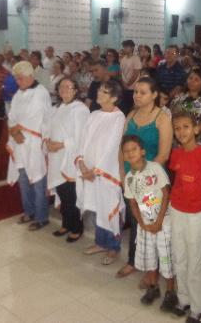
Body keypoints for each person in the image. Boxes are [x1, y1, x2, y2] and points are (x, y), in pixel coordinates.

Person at [117, 77, 173, 279]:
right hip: (131, 179)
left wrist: (146, 179)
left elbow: (164, 154)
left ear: (154, 95)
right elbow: (121, 148)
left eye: (142, 92)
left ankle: (155, 270)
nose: (137, 95)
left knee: (153, 224)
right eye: (135, 92)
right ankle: (135, 261)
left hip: (152, 181)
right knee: (136, 221)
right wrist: (123, 174)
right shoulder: (131, 115)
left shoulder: (162, 118)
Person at [168, 111, 201, 323]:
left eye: (185, 127)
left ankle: (198, 308)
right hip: (177, 210)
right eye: (177, 128)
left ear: (196, 128)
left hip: (196, 214)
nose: (181, 132)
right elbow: (177, 180)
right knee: (179, 257)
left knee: (196, 262)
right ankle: (184, 300)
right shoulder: (176, 154)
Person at [122, 135, 177, 310]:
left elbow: (166, 193)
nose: (130, 153)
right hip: (145, 225)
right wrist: (143, 224)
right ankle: (153, 288)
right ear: (123, 156)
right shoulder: (129, 177)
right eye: (126, 151)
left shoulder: (155, 168)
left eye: (134, 149)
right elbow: (133, 204)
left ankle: (170, 292)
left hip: (164, 222)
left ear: (142, 151)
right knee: (149, 257)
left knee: (166, 257)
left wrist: (159, 221)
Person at [76, 80, 126, 265]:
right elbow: (84, 140)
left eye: (104, 92)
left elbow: (111, 148)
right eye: (100, 90)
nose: (98, 93)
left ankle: (113, 247)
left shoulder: (118, 118)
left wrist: (95, 170)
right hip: (89, 170)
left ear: (114, 98)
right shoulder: (94, 114)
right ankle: (100, 243)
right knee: (98, 207)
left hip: (106, 172)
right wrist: (81, 163)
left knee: (109, 207)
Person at [7, 61, 52, 231]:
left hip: (34, 143)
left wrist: (17, 130)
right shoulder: (19, 93)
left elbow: (34, 118)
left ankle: (42, 217)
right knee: (24, 179)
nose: (18, 82)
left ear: (30, 76)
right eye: (16, 79)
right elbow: (12, 116)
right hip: (19, 143)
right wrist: (15, 132)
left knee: (38, 180)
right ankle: (29, 211)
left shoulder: (41, 93)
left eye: (20, 79)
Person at [44, 78, 89, 242]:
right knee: (62, 193)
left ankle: (77, 227)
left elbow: (81, 136)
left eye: (68, 86)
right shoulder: (56, 108)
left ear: (75, 90)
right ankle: (66, 223)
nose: (64, 89)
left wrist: (62, 145)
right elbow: (47, 128)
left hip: (70, 158)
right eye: (61, 86)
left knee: (71, 195)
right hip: (56, 158)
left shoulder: (80, 109)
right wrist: (47, 141)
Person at [170, 69, 201, 138]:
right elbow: (171, 118)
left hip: (198, 138)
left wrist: (191, 134)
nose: (192, 82)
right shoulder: (178, 98)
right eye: (190, 78)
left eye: (196, 80)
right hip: (177, 136)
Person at [120, 39, 142, 110]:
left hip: (133, 87)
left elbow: (135, 74)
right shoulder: (123, 59)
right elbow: (121, 73)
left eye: (127, 47)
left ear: (132, 47)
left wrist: (128, 84)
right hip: (124, 86)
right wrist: (123, 84)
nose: (125, 49)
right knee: (124, 106)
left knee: (132, 107)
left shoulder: (136, 58)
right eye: (124, 47)